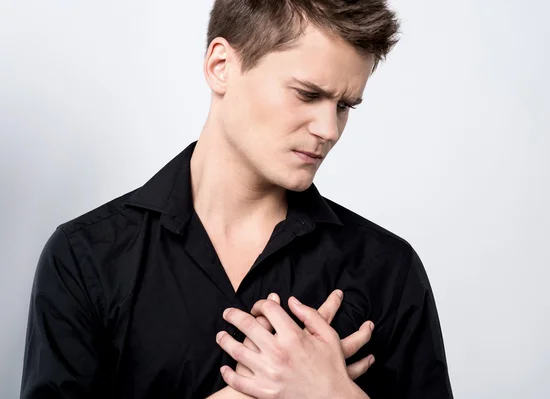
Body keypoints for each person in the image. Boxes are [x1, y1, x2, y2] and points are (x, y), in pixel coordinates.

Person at [21, 0, 453, 398]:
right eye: (307, 94)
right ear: (221, 65)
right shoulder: (85, 257)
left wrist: (332, 393)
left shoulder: (387, 269)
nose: (329, 129)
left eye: (344, 106)